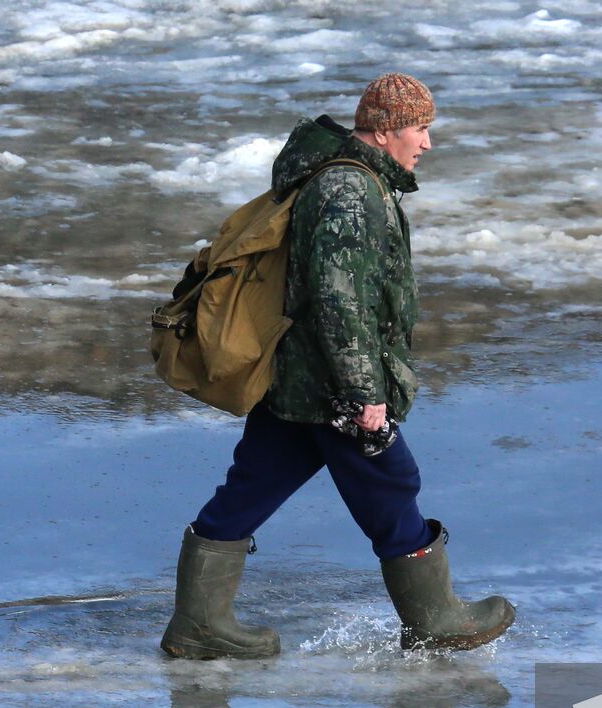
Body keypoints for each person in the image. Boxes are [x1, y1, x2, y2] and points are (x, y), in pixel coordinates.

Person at [160, 73, 516, 660]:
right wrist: (364, 392)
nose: (426, 143)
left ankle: (199, 624)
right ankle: (436, 619)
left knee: (252, 485)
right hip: (329, 387)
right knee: (391, 483)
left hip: (297, 381)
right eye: (419, 129)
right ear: (383, 130)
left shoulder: (351, 181)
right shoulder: (351, 192)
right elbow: (338, 300)